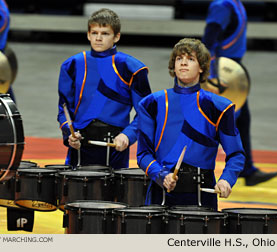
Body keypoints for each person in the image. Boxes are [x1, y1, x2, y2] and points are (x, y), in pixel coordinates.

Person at [137, 38, 245, 210]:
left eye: (191, 59)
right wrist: (161, 175)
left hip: (202, 195)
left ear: (201, 67)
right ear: (173, 65)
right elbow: (143, 154)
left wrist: (227, 179)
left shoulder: (219, 107)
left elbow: (236, 154)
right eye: (179, 59)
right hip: (161, 194)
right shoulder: (151, 104)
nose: (184, 63)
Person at [57, 8, 152, 169]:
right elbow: (64, 109)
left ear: (116, 37)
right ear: (88, 35)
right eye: (94, 33)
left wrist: (128, 135)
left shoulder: (132, 68)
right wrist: (69, 134)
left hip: (115, 146)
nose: (98, 38)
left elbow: (146, 113)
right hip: (80, 145)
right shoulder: (71, 65)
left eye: (105, 33)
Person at [202, 0, 277, 186]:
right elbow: (209, 39)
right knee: (219, 121)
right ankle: (199, 167)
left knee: (242, 119)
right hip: (223, 70)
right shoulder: (223, 6)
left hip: (232, 68)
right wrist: (212, 75)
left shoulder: (235, 3)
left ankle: (247, 169)